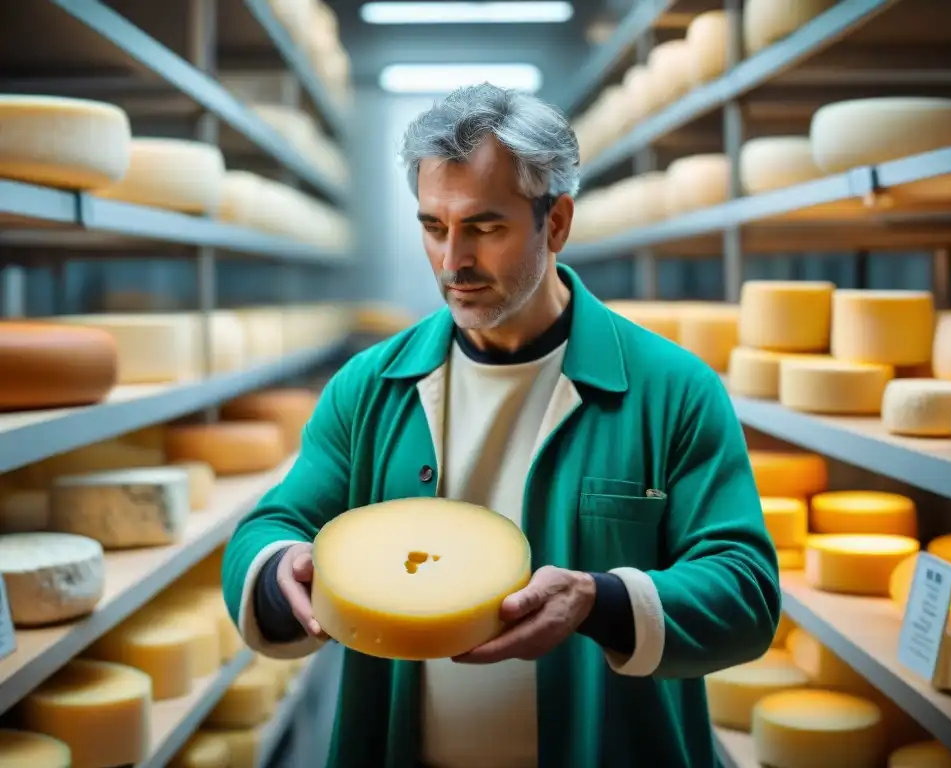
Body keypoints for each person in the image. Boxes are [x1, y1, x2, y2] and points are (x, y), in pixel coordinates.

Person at [221, 83, 781, 768]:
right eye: (433, 227)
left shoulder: (672, 389)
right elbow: (267, 529)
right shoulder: (369, 388)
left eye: (485, 228)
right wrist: (281, 571)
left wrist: (598, 600)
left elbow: (746, 590)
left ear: (557, 223)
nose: (453, 261)